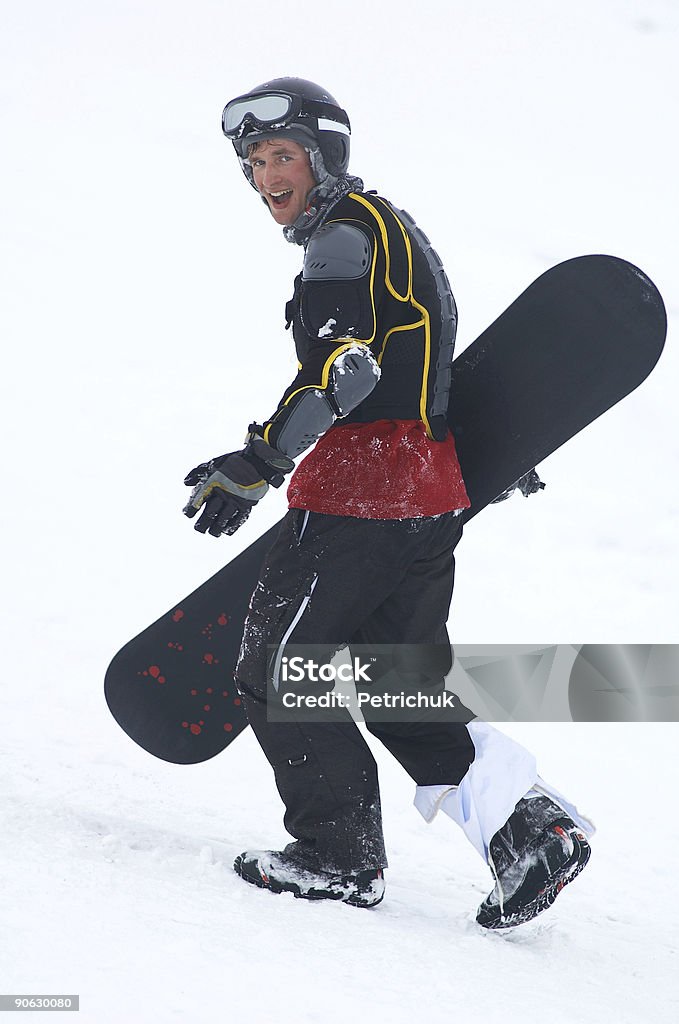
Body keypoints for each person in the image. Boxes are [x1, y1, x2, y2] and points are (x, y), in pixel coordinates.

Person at [183, 78, 593, 928]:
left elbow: (345, 373)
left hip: (363, 495)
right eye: (254, 162)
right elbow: (427, 354)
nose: (266, 176)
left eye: (282, 155)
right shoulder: (389, 228)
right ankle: (530, 830)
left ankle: (335, 857)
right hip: (426, 492)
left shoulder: (340, 239)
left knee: (277, 670)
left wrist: (256, 462)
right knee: (390, 682)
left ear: (323, 155)